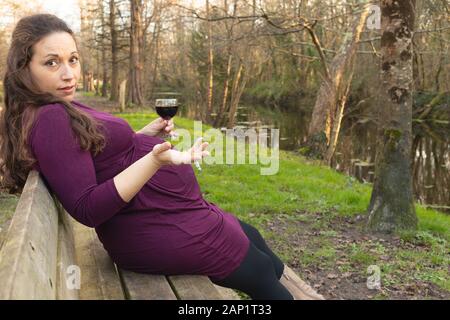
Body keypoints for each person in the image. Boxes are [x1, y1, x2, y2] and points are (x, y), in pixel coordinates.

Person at [0, 14, 295, 300]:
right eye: (52, 63)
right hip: (151, 228)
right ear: (24, 68)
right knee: (260, 270)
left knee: (254, 239)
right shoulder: (51, 117)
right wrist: (154, 160)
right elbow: (86, 208)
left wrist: (143, 135)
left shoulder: (57, 105)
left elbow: (99, 156)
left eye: (72, 59)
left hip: (167, 213)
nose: (69, 74)